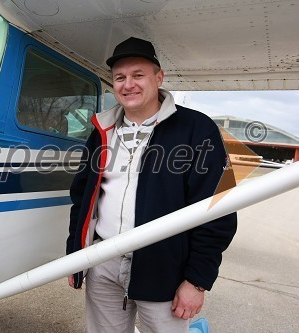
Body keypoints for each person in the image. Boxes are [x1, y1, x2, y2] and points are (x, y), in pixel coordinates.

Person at [66, 37, 237, 333]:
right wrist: (76, 254)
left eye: (138, 75)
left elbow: (220, 208)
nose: (128, 84)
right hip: (102, 262)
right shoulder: (101, 130)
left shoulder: (199, 128)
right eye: (120, 77)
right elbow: (82, 197)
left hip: (166, 269)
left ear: (159, 78)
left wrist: (198, 279)